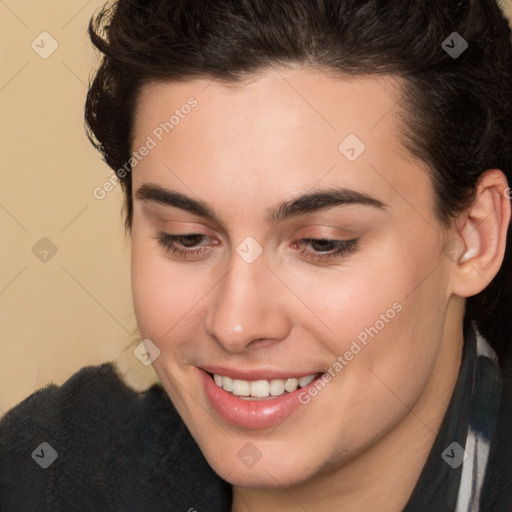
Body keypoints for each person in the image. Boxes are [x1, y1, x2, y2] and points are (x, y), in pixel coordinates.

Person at [1, 0, 511, 510]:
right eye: (187, 238)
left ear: (472, 237)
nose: (236, 325)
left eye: (322, 243)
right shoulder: (44, 478)